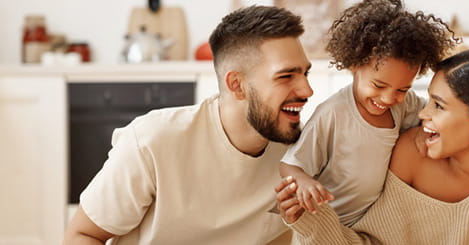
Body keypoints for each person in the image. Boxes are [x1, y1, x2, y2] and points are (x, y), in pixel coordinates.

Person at [63, 6, 313, 244]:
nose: (307, 90)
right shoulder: (153, 141)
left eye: (305, 73)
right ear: (236, 85)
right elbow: (82, 235)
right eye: (285, 76)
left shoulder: (302, 154)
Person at [276, 48, 469, 244]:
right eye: (428, 99)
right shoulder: (411, 153)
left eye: (439, 106)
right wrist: (312, 221)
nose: (422, 113)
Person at [278, 0, 455, 227]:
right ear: (353, 64)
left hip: (373, 222)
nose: (389, 98)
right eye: (378, 86)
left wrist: (427, 129)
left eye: (402, 89)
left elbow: (432, 116)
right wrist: (302, 182)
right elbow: (290, 164)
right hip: (330, 223)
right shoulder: (333, 114)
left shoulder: (403, 104)